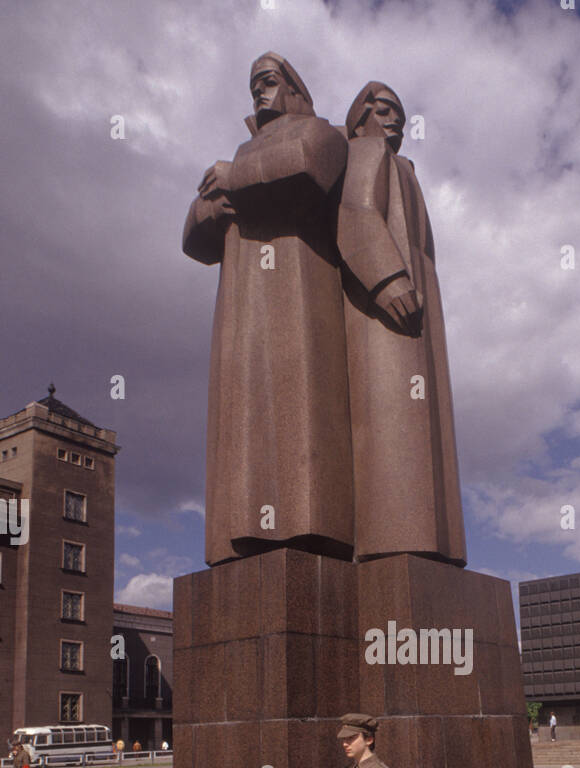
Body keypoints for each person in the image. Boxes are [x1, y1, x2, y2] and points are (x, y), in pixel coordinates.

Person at [183, 52, 354, 566]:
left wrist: (233, 177)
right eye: (253, 83)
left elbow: (306, 168)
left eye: (269, 80)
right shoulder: (240, 154)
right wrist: (217, 202)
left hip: (299, 289)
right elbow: (193, 236)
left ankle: (307, 524)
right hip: (242, 302)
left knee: (298, 400)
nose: (258, 91)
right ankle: (243, 535)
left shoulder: (322, 132)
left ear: (294, 87)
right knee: (245, 412)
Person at [337, 82, 467, 566]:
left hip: (421, 298)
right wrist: (388, 278)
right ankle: (395, 537)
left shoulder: (405, 169)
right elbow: (354, 212)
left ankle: (435, 542)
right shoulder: (364, 151)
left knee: (427, 424)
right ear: (361, 116)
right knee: (396, 418)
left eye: (402, 116)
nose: (396, 122)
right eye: (386, 110)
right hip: (387, 304)